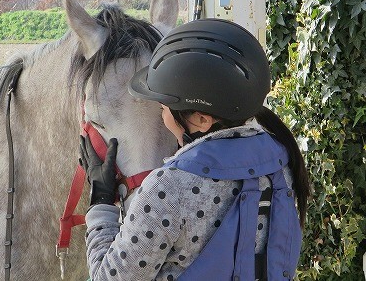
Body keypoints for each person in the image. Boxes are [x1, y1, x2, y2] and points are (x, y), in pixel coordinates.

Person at [80, 19, 310, 281]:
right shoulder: (281, 160)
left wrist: (100, 204)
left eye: (164, 107)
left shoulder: (169, 187)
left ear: (202, 120)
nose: (162, 114)